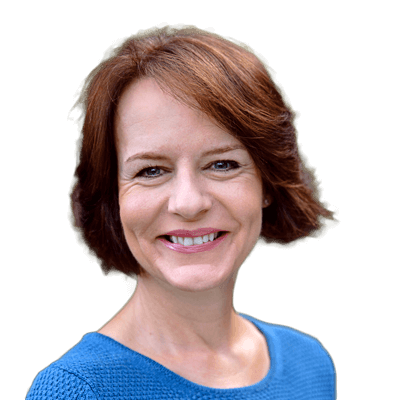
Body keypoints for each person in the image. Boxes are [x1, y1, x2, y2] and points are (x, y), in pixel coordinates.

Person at [26, 26, 337, 398]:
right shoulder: (77, 391)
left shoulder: (310, 364)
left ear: (267, 183)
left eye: (222, 164)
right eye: (151, 171)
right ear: (114, 198)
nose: (189, 204)